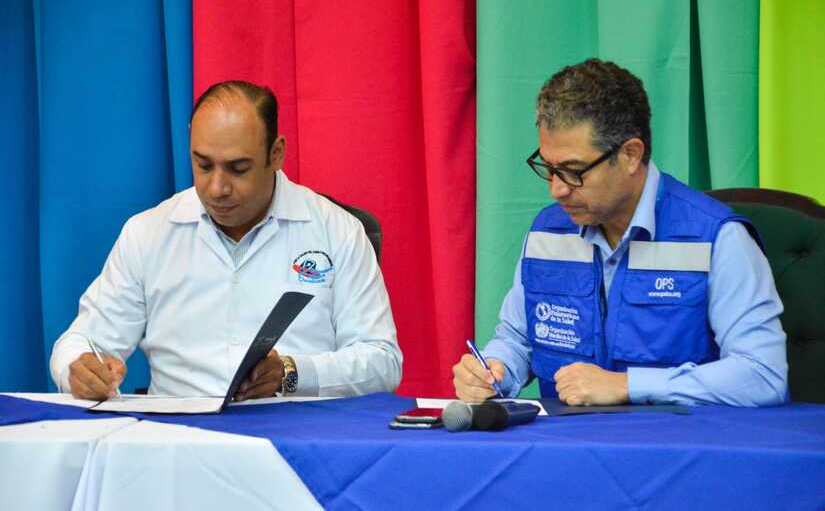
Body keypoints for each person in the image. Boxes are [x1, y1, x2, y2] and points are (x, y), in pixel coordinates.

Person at [453, 59, 787, 407]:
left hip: (679, 438)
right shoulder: (547, 233)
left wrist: (628, 385)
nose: (556, 189)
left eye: (573, 171)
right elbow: (517, 339)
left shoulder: (718, 238)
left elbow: (763, 375)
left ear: (630, 155)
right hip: (565, 437)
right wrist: (493, 370)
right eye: (549, 168)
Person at [51, 80, 402, 400]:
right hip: (176, 437)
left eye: (238, 169)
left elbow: (383, 362)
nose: (217, 188)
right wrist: (79, 370)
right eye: (203, 165)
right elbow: (81, 342)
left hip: (298, 435)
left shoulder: (337, 231)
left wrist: (292, 373)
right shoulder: (148, 233)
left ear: (276, 153)